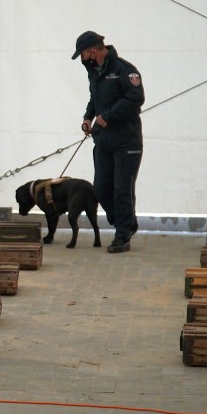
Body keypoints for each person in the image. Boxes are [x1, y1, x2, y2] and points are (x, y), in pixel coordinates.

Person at [72, 31, 143, 253]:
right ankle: (127, 221)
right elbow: (95, 99)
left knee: (122, 189)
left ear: (93, 50)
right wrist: (87, 117)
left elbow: (136, 98)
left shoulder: (124, 69)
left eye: (83, 54)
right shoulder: (94, 72)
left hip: (127, 142)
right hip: (103, 141)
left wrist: (109, 115)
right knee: (101, 189)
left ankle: (122, 234)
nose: (82, 59)